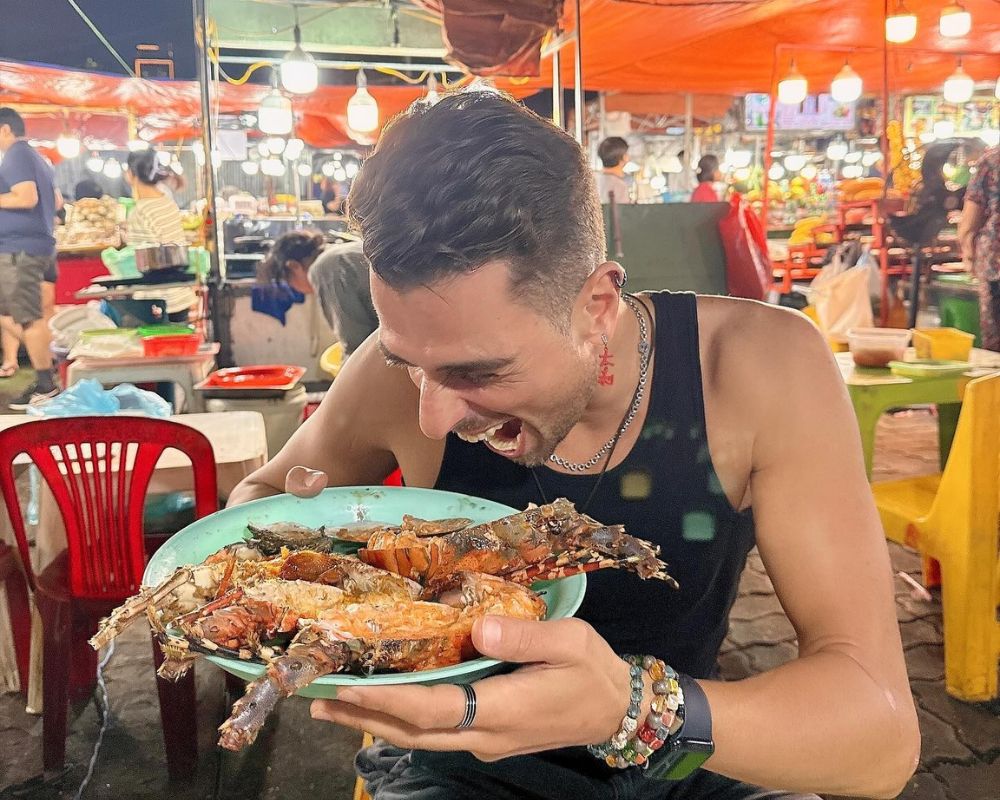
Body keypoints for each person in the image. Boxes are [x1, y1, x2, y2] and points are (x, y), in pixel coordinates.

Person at [228, 91, 919, 800]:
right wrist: (290, 545)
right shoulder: (390, 370)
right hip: (457, 762)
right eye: (412, 363)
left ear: (596, 307)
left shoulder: (758, 369)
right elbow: (257, 499)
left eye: (476, 372)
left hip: (680, 754)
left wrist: (632, 706)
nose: (431, 417)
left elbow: (879, 736)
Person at [0, 107, 60, 407]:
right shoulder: (37, 157)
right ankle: (48, 366)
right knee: (20, 316)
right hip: (39, 247)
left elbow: (26, 197)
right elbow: (57, 200)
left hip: (21, 251)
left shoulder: (16, 155)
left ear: (5, 130)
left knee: (28, 318)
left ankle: (47, 384)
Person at [258, 230, 377, 356]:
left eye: (289, 283)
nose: (294, 289)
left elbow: (355, 344)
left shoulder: (326, 267)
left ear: (293, 267)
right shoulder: (345, 250)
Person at [959, 145, 1000, 351]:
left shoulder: (992, 160)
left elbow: (970, 219)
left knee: (995, 344)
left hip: (995, 265)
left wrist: (968, 253)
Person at [124, 148, 185, 245]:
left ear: (130, 174)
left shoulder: (139, 212)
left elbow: (140, 257)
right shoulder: (168, 202)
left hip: (159, 260)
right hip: (179, 259)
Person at [596, 136, 632, 204]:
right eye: (626, 153)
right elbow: (625, 213)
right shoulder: (620, 185)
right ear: (624, 158)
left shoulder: (594, 180)